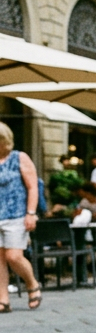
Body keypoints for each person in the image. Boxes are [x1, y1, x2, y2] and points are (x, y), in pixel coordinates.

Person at [0, 122, 42, 311]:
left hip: (16, 215)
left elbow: (33, 187)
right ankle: (3, 299)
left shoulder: (19, 158)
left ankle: (32, 283)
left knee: (13, 256)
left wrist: (31, 213)